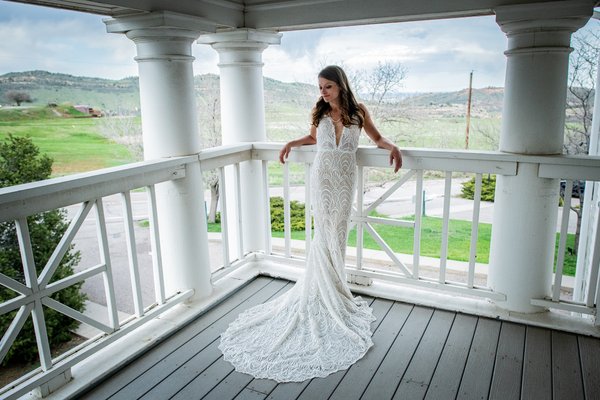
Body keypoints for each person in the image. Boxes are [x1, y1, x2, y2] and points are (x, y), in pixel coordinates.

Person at [219, 65, 402, 382]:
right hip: (323, 178)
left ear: (341, 85)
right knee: (323, 234)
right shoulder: (319, 110)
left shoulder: (358, 111)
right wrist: (291, 143)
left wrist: (393, 147)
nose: (322, 92)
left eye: (327, 86)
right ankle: (322, 288)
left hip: (344, 180)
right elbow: (313, 138)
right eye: (320, 87)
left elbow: (376, 137)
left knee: (338, 235)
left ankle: (335, 288)